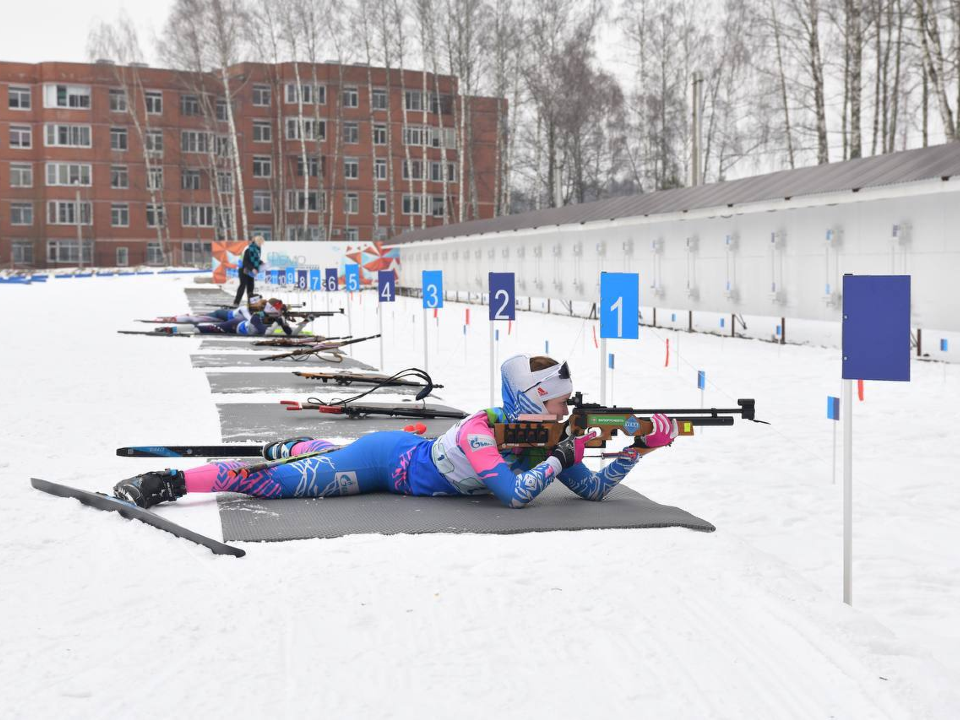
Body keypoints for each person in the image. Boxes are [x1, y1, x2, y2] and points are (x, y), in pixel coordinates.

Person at [113, 354, 679, 509]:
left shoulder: (544, 439)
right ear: (530, 400)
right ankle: (169, 481)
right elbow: (512, 497)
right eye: (557, 402)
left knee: (321, 453)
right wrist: (563, 454)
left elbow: (596, 492)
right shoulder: (483, 433)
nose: (565, 410)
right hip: (387, 464)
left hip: (403, 453)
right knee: (273, 483)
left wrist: (638, 448)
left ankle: (298, 445)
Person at [233, 236, 264, 306]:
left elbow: (254, 260)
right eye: (260, 243)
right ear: (256, 242)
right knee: (243, 285)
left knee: (251, 286)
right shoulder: (249, 249)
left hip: (250, 270)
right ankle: (236, 302)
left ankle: (250, 304)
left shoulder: (257, 249)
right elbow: (245, 262)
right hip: (243, 269)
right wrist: (253, 268)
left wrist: (261, 263)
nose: (260, 245)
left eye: (261, 243)